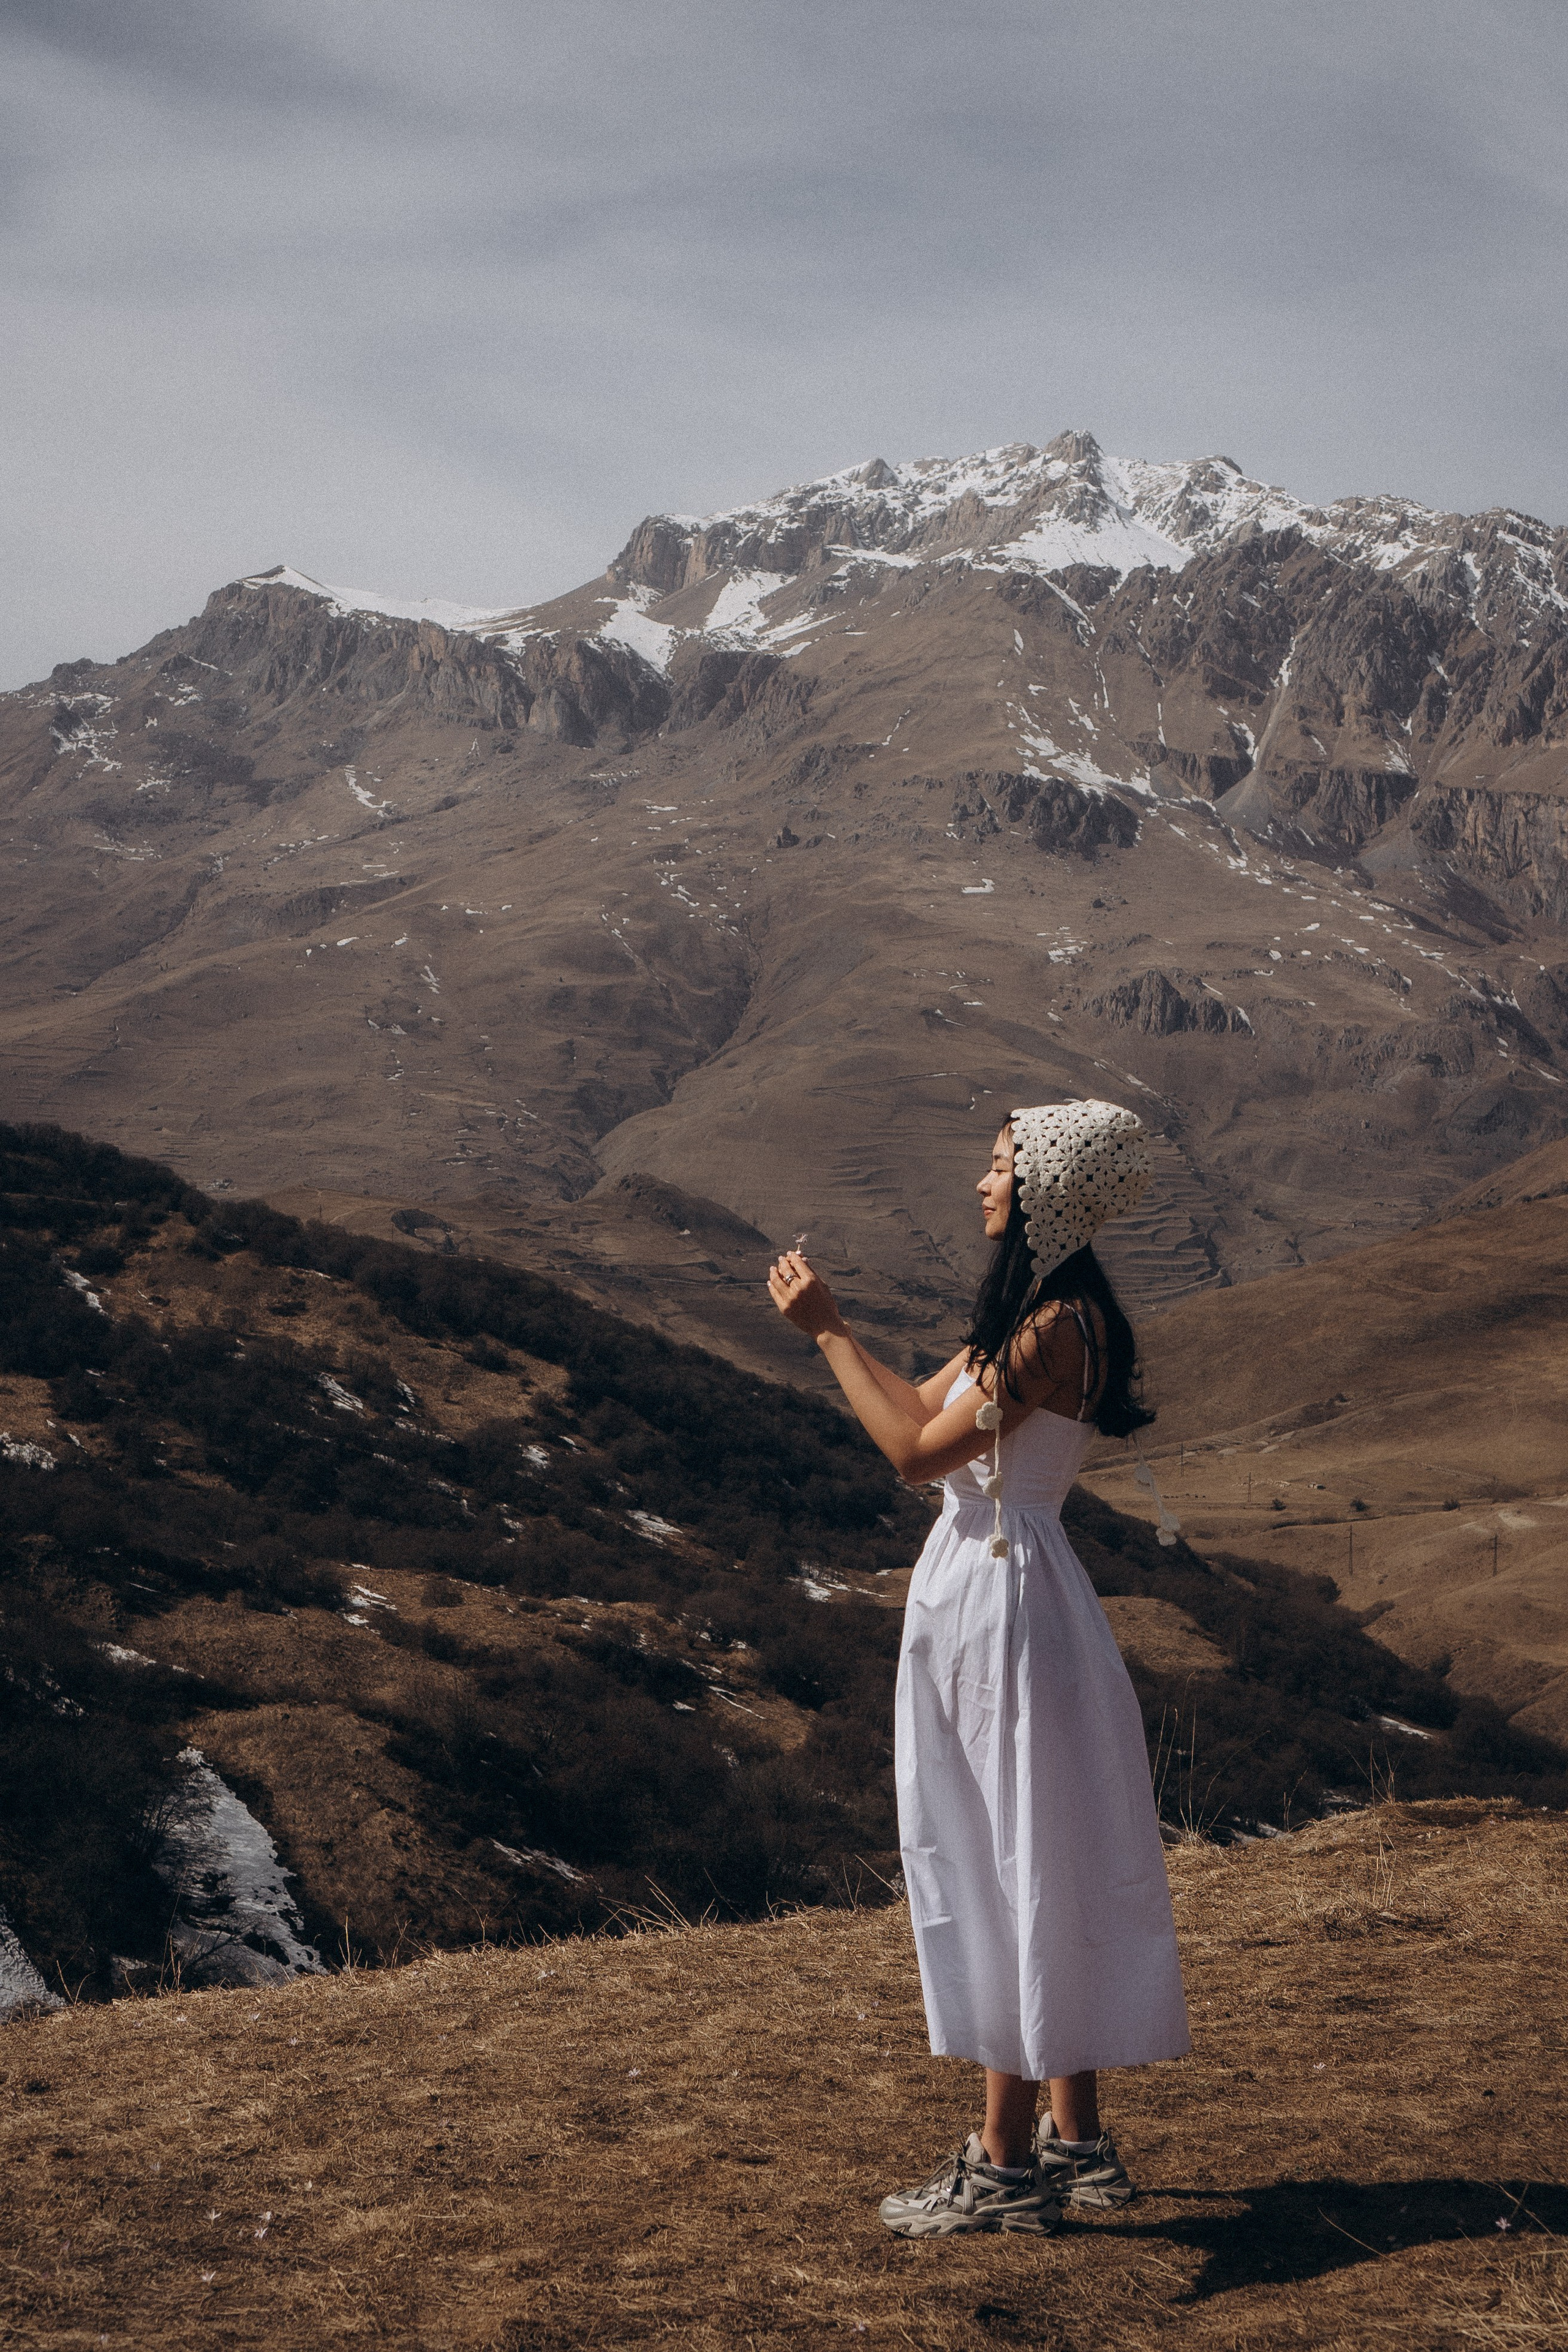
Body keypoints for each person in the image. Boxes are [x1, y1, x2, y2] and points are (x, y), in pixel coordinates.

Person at [767, 1099, 1190, 2237]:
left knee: (1007, 1860)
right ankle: (1075, 2139)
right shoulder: (1041, 1319)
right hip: (1006, 1592)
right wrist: (836, 1335)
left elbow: (913, 1455)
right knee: (1035, 1846)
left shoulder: (1052, 1332)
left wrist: (827, 1331)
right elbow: (921, 1408)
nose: (983, 1183)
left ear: (1048, 1188)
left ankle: (1003, 2166)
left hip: (1002, 1604)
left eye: (1002, 1166)